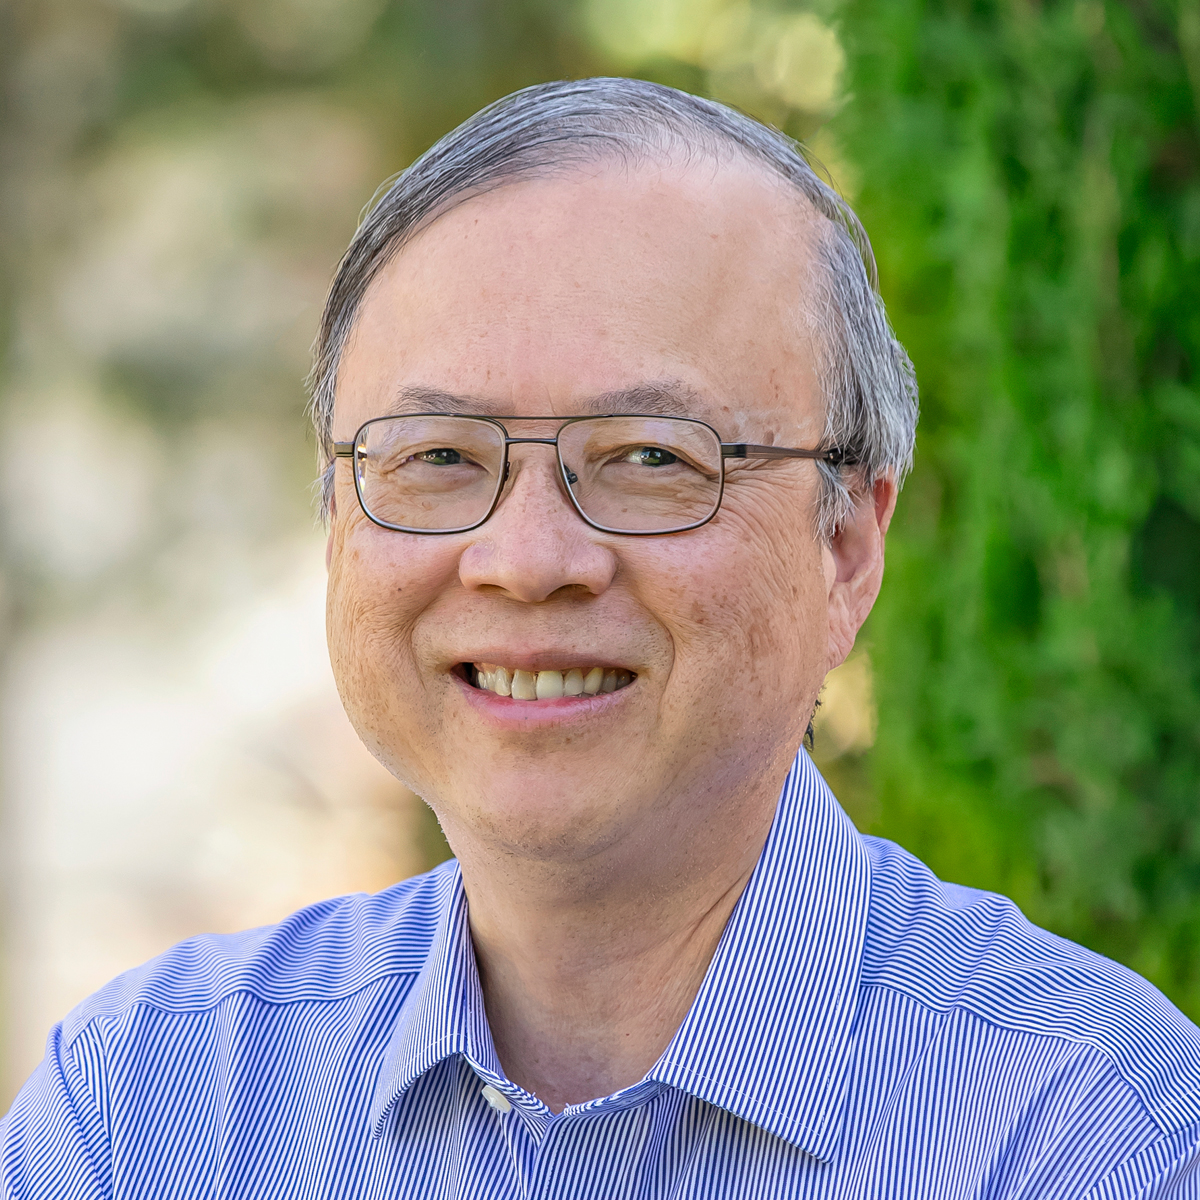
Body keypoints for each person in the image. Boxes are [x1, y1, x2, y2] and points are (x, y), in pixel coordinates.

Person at [4, 77, 1199, 1200]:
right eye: (438, 459)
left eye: (647, 460)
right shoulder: (147, 1113)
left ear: (847, 550)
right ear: (334, 518)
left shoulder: (1091, 1133)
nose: (526, 561)